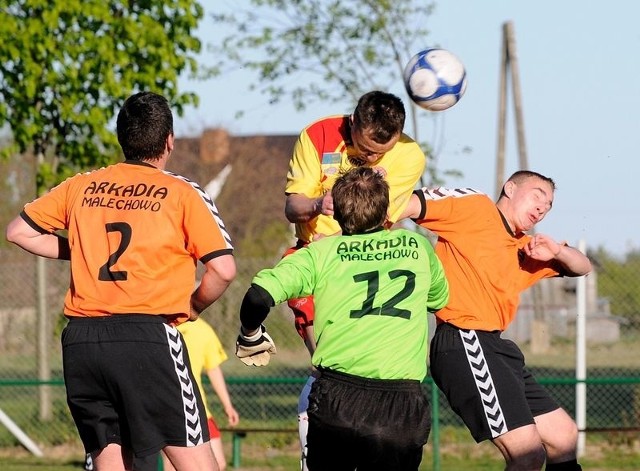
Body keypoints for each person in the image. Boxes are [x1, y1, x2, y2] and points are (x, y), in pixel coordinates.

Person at [5, 91, 236, 471]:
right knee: (198, 464)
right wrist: (193, 307)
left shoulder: (80, 186)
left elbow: (18, 232)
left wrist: (79, 252)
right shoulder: (182, 192)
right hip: (147, 336)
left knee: (111, 462)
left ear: (121, 138)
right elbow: (223, 270)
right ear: (169, 141)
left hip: (82, 342)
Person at [235, 166, 449, 470]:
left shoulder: (320, 252)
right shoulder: (416, 247)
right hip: (400, 403)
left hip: (339, 399)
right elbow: (439, 299)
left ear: (335, 213)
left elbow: (257, 296)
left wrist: (250, 334)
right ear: (386, 208)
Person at [402, 170, 592, 470]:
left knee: (563, 435)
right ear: (510, 188)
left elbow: (582, 266)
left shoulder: (527, 249)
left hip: (497, 348)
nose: (543, 207)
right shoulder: (475, 207)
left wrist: (556, 250)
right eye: (537, 196)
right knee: (527, 455)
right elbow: (407, 204)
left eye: (549, 205)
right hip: (465, 340)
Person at [283, 90, 427, 469]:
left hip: (364, 262)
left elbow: (379, 219)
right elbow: (291, 205)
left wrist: (336, 247)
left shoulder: (410, 156)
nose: (372, 158)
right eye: (365, 149)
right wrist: (316, 205)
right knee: (324, 365)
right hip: (315, 259)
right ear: (353, 123)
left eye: (382, 152)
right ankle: (312, 430)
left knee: (360, 370)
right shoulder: (318, 136)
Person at [162, 317, 240, 471]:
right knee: (173, 464)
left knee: (218, 463)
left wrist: (228, 405)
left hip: (197, 408)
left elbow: (213, 369)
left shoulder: (203, 329)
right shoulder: (160, 325)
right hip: (168, 407)